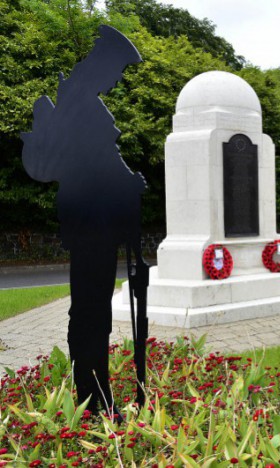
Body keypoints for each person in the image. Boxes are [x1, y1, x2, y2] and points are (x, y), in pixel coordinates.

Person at [21, 26, 146, 417]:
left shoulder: (83, 102)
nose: (117, 78)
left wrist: (129, 183)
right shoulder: (81, 107)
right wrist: (126, 185)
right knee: (92, 314)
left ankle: (95, 395)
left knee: (94, 313)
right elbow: (95, 169)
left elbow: (104, 165)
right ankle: (93, 400)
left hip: (97, 224)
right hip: (92, 225)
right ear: (102, 66)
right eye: (117, 70)